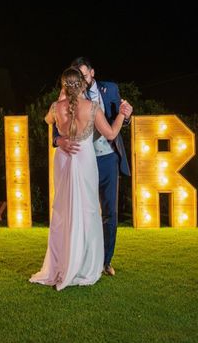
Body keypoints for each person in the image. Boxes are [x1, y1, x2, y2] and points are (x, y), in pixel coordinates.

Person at [29, 67, 132, 291]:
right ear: (83, 85)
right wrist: (123, 114)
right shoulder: (92, 107)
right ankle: (86, 262)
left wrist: (61, 98)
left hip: (64, 160)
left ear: (64, 86)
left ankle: (63, 261)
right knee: (88, 210)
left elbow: (47, 120)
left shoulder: (56, 108)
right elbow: (112, 134)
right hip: (84, 160)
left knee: (63, 209)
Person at [54, 57, 132, 277]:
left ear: (93, 73)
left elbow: (121, 120)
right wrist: (58, 140)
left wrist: (126, 115)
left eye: (85, 77)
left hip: (107, 159)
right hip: (82, 159)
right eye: (79, 78)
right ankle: (81, 259)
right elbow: (55, 121)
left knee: (109, 211)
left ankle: (105, 261)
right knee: (80, 211)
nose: (83, 82)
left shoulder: (111, 89)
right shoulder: (66, 94)